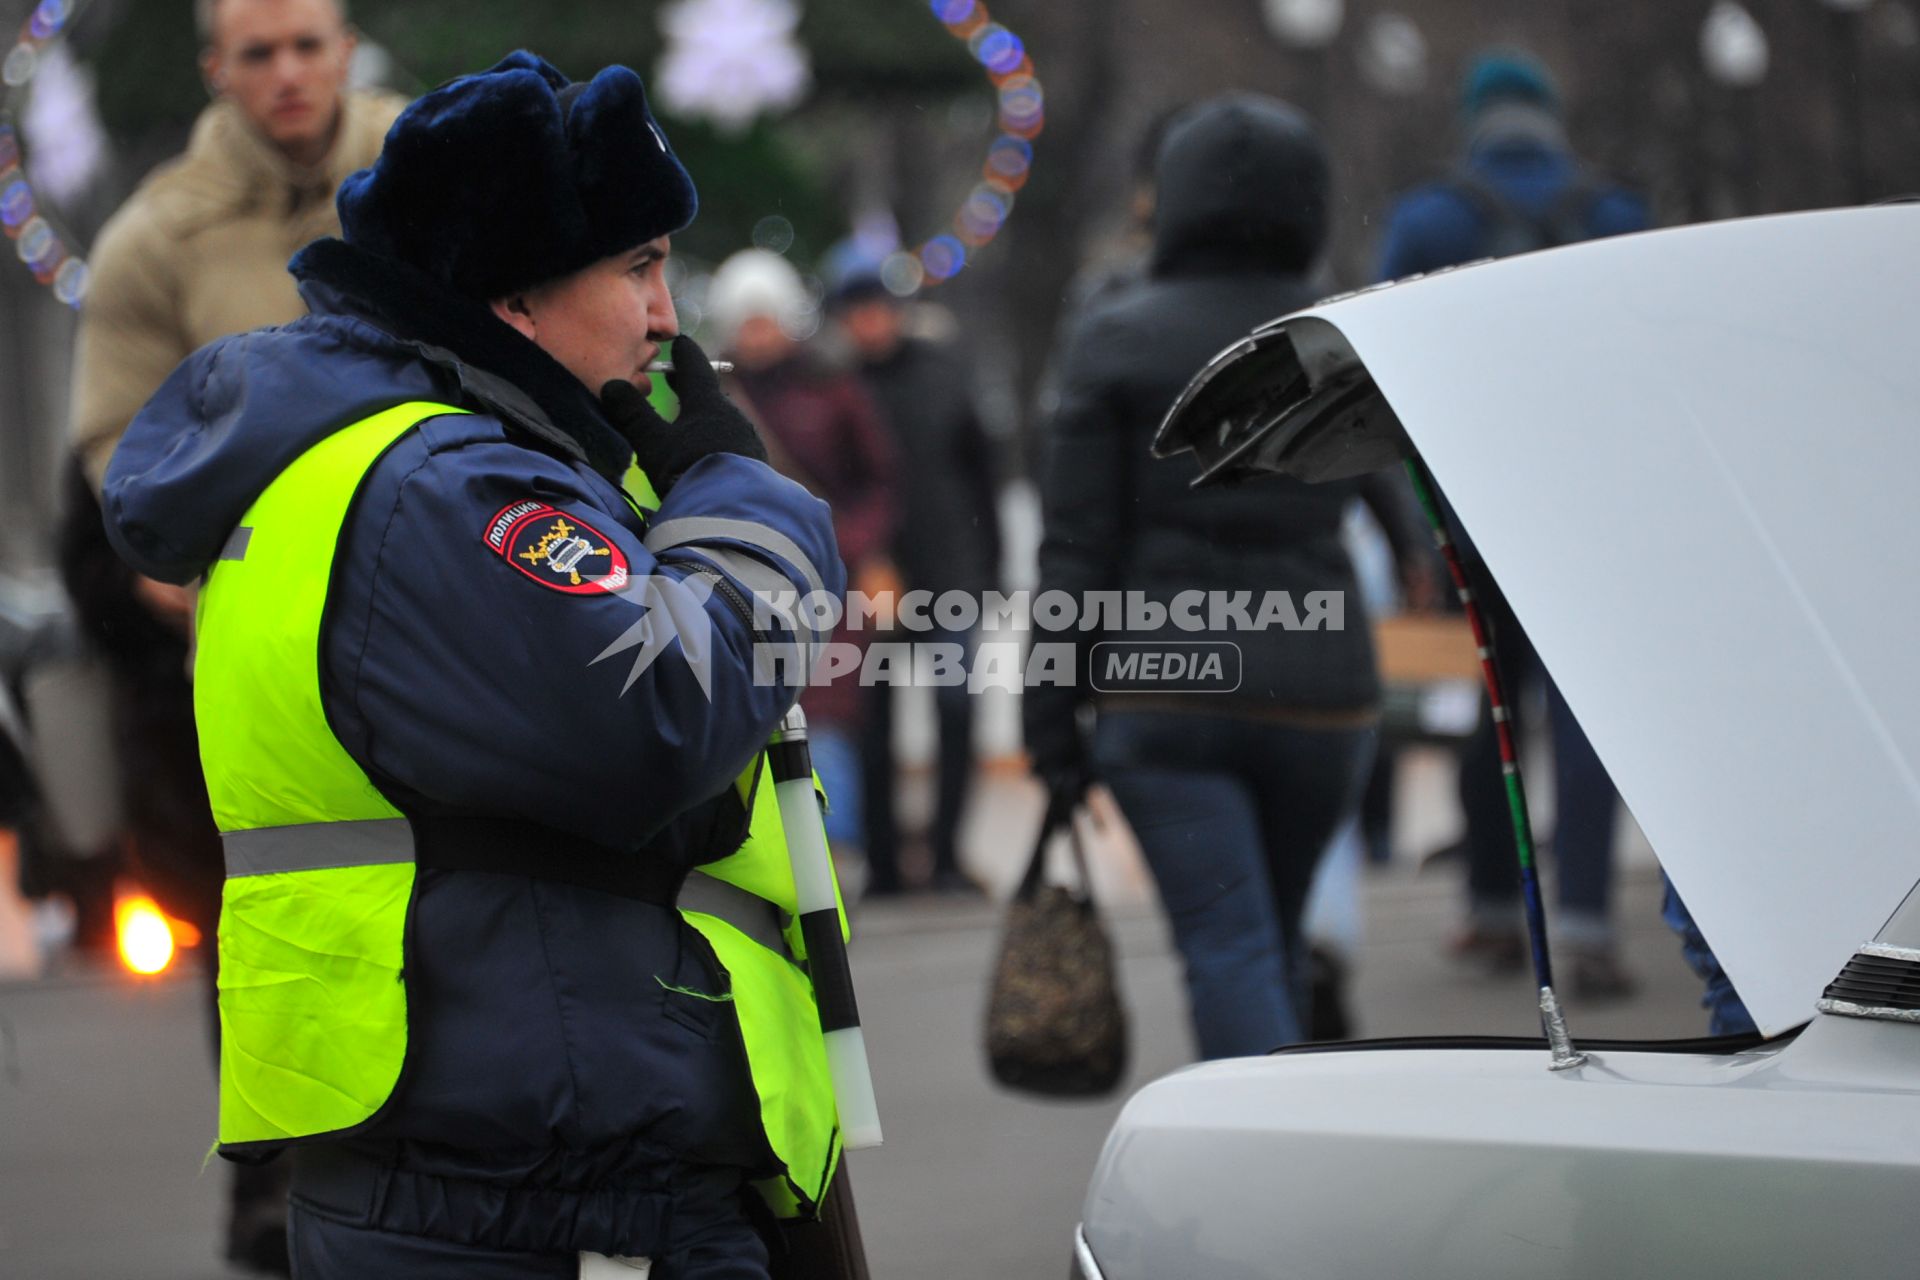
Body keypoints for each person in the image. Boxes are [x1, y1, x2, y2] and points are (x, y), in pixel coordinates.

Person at [102, 51, 848, 1277]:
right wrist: (742, 496)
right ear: (512, 303)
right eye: (639, 268)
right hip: (547, 1193)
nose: (669, 318)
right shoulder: (451, 491)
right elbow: (665, 709)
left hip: (490, 1162)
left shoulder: (390, 466)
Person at [63, 1, 400, 1269]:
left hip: (450, 618)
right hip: (263, 649)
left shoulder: (421, 169)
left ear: (345, 43)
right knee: (268, 923)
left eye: (308, 44)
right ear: (217, 69)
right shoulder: (160, 234)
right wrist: (215, 584)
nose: (289, 74)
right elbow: (114, 454)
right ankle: (276, 1189)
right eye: (257, 53)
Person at [1024, 94, 1389, 1061]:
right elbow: (1405, 494)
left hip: (1169, 690)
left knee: (1226, 944)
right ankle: (1299, 1142)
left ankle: (1266, 1178)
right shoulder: (1345, 331)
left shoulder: (1113, 336)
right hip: (1324, 692)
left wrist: (1050, 722)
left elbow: (1075, 551)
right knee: (1270, 931)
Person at [1375, 49, 1649, 999]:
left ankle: (1495, 910)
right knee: (1584, 725)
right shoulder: (1612, 216)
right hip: (1590, 513)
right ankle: (1587, 926)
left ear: (1475, 119)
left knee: (1488, 710)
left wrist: (1417, 530)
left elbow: (1379, 375)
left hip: (1471, 506)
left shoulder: (1430, 219)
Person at [707, 250, 898, 882]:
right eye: (747, 321)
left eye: (768, 320)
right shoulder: (709, 396)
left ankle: (835, 852)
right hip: (742, 582)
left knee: (829, 716)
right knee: (758, 711)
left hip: (828, 582)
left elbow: (878, 480)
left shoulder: (831, 387)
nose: (758, 334)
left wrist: (853, 547)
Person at [833, 271, 1000, 895]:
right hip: (870, 577)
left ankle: (949, 857)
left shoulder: (943, 374)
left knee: (956, 715)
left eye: (876, 309)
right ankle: (884, 865)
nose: (869, 323)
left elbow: (982, 472)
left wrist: (990, 569)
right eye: (856, 312)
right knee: (872, 724)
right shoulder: (840, 387)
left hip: (950, 572)